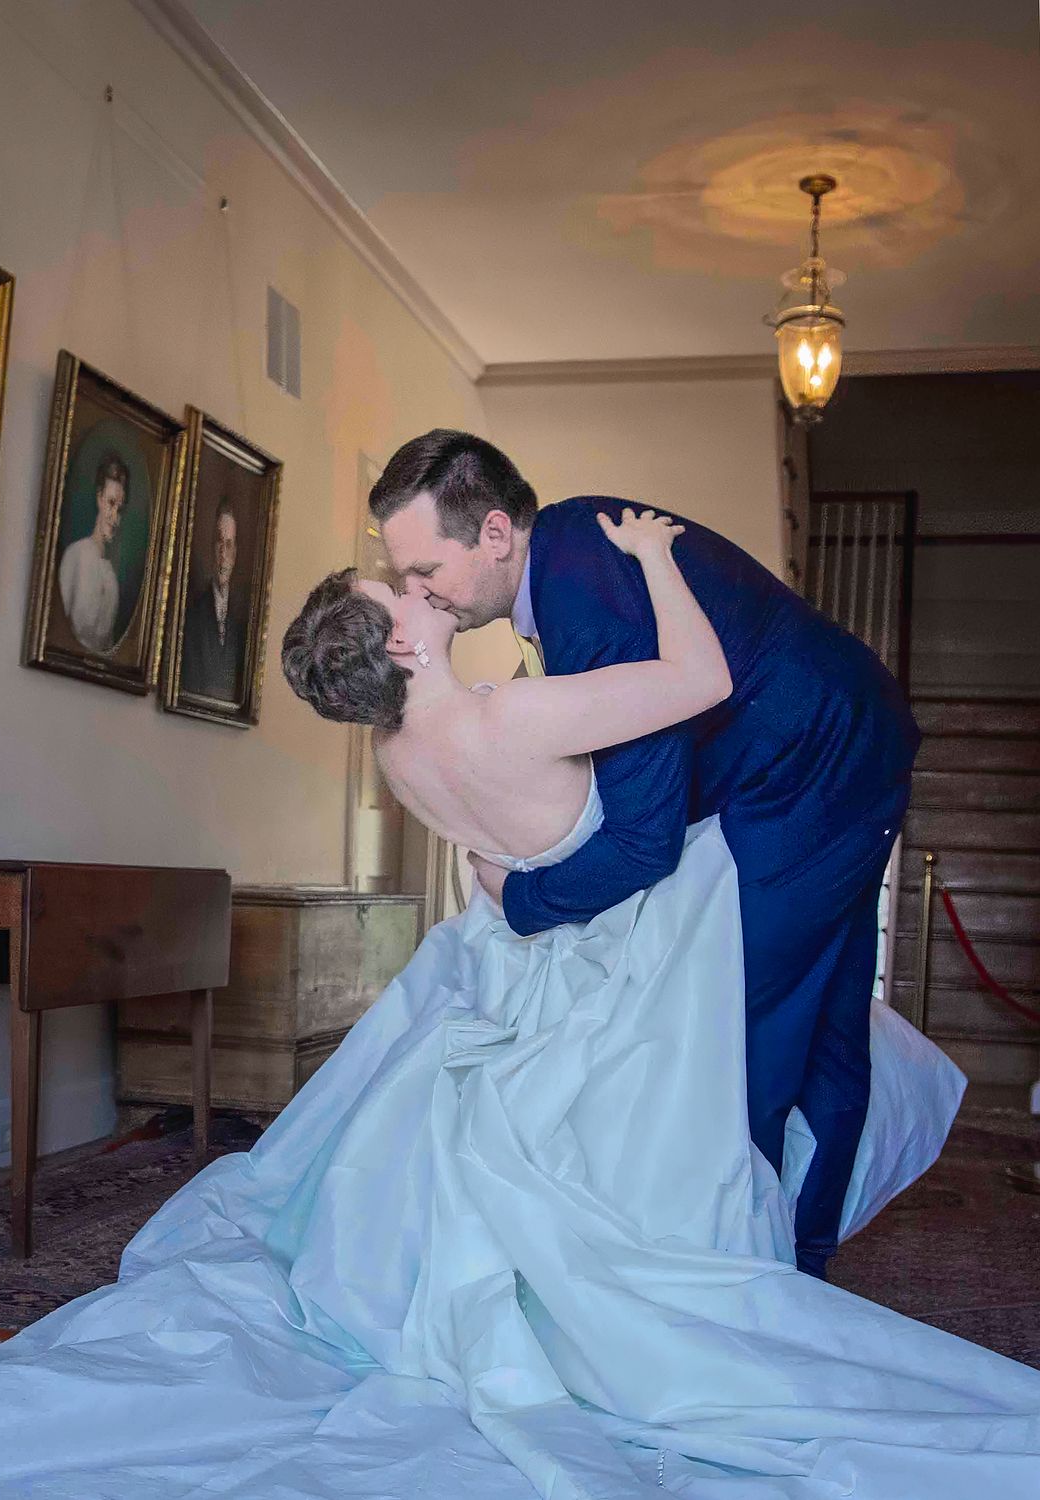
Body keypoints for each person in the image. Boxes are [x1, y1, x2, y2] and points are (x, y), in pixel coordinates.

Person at [0, 511, 1028, 1500]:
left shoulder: (402, 761)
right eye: (399, 594)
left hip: (514, 954)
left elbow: (484, 874)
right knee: (711, 1102)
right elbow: (701, 683)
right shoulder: (513, 715)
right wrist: (659, 554)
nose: (418, 590)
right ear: (402, 649)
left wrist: (519, 889)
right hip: (620, 946)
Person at [369, 429, 920, 1282]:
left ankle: (744, 1274)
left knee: (743, 1023)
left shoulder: (587, 599)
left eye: (425, 572)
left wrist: (520, 900)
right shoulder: (574, 548)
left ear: (494, 535)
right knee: (827, 1021)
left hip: (809, 770)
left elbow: (643, 838)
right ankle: (802, 1254)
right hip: (840, 744)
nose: (419, 595)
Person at [57, 451, 128, 653]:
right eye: (111, 503)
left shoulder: (112, 579)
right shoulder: (75, 555)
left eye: (120, 509)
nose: (114, 517)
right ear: (99, 499)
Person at [180, 497, 246, 698]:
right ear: (211, 546)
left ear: (235, 553)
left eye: (229, 544)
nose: (223, 554)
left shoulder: (242, 619)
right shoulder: (193, 614)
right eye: (219, 542)